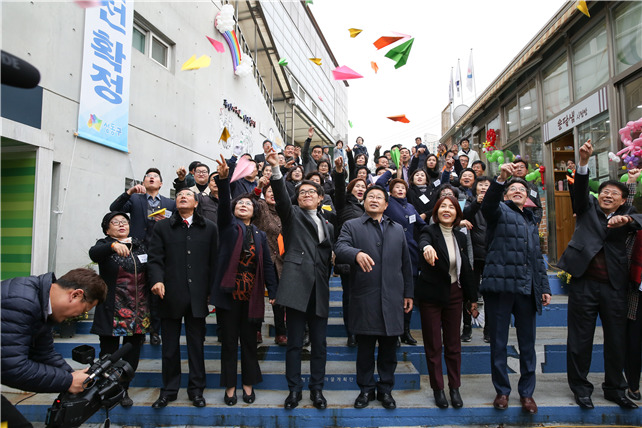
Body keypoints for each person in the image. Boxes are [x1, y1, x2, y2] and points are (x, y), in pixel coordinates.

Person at [558, 140, 642, 410]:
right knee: (580, 340)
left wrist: (627, 220)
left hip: (615, 286)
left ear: (621, 200)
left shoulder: (628, 214)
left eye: (613, 194)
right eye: (604, 192)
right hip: (584, 283)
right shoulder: (587, 209)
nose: (607, 196)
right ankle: (581, 389)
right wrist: (583, 162)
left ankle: (615, 388)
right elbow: (581, 190)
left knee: (617, 340)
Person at [265, 149, 334, 410]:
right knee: (294, 344)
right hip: (295, 287)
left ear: (320, 199)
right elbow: (282, 199)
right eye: (302, 192)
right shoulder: (292, 215)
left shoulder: (328, 225)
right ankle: (294, 390)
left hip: (319, 289)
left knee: (319, 345)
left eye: (311, 193)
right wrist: (274, 170)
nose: (306, 195)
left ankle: (317, 390)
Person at [480, 162, 551, 414]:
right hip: (500, 288)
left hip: (526, 288)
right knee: (498, 342)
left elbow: (536, 259)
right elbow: (487, 204)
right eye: (513, 189)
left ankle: (527, 393)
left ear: (528, 196)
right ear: (507, 195)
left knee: (528, 344)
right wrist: (500, 179)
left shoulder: (531, 222)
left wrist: (543, 287)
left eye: (522, 188)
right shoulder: (498, 210)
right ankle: (502, 390)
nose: (518, 190)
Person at [335, 185, 413, 410]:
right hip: (365, 297)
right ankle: (365, 390)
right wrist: (356, 253)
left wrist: (408, 292)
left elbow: (405, 264)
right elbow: (339, 247)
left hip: (392, 298)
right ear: (364, 201)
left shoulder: (397, 229)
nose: (375, 200)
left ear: (386, 205)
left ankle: (386, 389)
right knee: (365, 350)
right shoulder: (352, 225)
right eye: (371, 197)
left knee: (389, 350)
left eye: (380, 197)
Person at [1, 269, 107, 427]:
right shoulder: (22, 302)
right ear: (75, 295)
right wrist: (68, 381)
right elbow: (11, 367)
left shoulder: (41, 304)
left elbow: (44, 354)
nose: (78, 315)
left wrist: (74, 376)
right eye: (84, 311)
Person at [210, 156, 277, 406]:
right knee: (228, 343)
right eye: (240, 204)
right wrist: (225, 179)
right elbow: (224, 205)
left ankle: (248, 384)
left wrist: (274, 291)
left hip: (251, 298)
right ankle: (230, 387)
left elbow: (268, 265)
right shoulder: (228, 227)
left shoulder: (259, 235)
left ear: (254, 210)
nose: (244, 206)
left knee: (249, 343)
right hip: (228, 297)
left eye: (249, 204)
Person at [148, 188, 218, 409]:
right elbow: (155, 258)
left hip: (198, 297)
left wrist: (212, 294)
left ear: (196, 203)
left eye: (187, 195)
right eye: (179, 196)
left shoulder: (209, 228)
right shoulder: (162, 227)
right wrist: (157, 280)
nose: (183, 197)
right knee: (169, 348)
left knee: (196, 346)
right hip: (170, 295)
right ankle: (169, 390)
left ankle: (196, 390)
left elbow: (215, 262)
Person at [417, 195, 477, 409]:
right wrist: (426, 248)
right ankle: (438, 389)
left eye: (451, 207)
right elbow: (423, 241)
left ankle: (454, 387)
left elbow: (466, 268)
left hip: (455, 294)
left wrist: (472, 299)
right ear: (436, 211)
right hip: (432, 296)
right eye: (443, 206)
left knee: (453, 345)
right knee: (434, 345)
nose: (447, 210)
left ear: (456, 213)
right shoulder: (429, 232)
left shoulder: (460, 236)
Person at [108, 167, 175, 345]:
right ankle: (136, 328)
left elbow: (176, 223)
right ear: (144, 182)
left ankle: (155, 330)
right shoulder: (135, 199)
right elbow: (114, 209)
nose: (151, 178)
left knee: (156, 291)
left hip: (160, 251)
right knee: (137, 289)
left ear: (161, 183)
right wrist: (129, 191)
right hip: (137, 251)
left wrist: (167, 223)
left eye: (155, 177)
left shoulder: (170, 203)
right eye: (148, 176)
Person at [89, 211, 149, 408]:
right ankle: (106, 389)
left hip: (138, 310)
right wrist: (113, 245)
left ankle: (123, 390)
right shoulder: (103, 246)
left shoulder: (140, 245)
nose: (121, 225)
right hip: (112, 309)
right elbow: (94, 253)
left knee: (131, 354)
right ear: (107, 229)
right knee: (109, 353)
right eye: (116, 223)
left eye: (124, 222)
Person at [384, 178, 426, 345]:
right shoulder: (387, 203)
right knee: (394, 295)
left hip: (411, 254)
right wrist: (391, 172)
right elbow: (379, 184)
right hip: (393, 253)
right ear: (391, 190)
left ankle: (405, 331)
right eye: (397, 187)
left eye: (403, 187)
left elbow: (422, 226)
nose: (400, 190)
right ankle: (394, 332)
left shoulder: (410, 207)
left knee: (409, 293)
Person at [333, 157, 367, 347]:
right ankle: (351, 333)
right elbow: (338, 189)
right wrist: (339, 172)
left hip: (368, 258)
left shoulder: (369, 207)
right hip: (349, 257)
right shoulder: (343, 204)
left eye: (364, 186)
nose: (361, 188)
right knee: (350, 297)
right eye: (357, 186)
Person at [253, 175, 287, 346]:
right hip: (260, 257)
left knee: (278, 298)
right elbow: (250, 202)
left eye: (276, 191)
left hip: (280, 260)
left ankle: (281, 332)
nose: (273, 194)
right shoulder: (260, 207)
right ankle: (256, 330)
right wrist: (258, 188)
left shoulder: (286, 210)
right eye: (269, 191)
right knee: (257, 294)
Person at [461, 176, 492, 343]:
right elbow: (465, 214)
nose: (484, 187)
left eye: (487, 185)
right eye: (481, 184)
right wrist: (477, 202)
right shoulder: (468, 202)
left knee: (489, 293)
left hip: (491, 255)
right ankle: (467, 328)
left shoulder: (496, 204)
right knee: (469, 293)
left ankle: (489, 329)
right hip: (472, 255)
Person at [512, 159, 543, 224]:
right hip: (512, 222)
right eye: (516, 167)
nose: (519, 169)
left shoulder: (533, 187)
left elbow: (538, 207)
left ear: (527, 171)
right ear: (512, 170)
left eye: (522, 167)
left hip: (529, 223)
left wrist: (536, 221)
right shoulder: (507, 186)